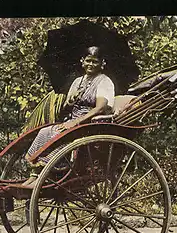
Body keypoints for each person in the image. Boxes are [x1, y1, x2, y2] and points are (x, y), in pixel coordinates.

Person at [22, 46, 115, 187]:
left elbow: (100, 107)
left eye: (95, 62)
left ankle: (49, 174)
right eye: (88, 61)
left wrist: (76, 122)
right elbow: (66, 108)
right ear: (82, 61)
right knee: (45, 131)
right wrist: (69, 102)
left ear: (102, 63)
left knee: (61, 136)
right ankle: (36, 174)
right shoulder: (78, 81)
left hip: (90, 123)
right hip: (73, 120)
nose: (90, 65)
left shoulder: (104, 81)